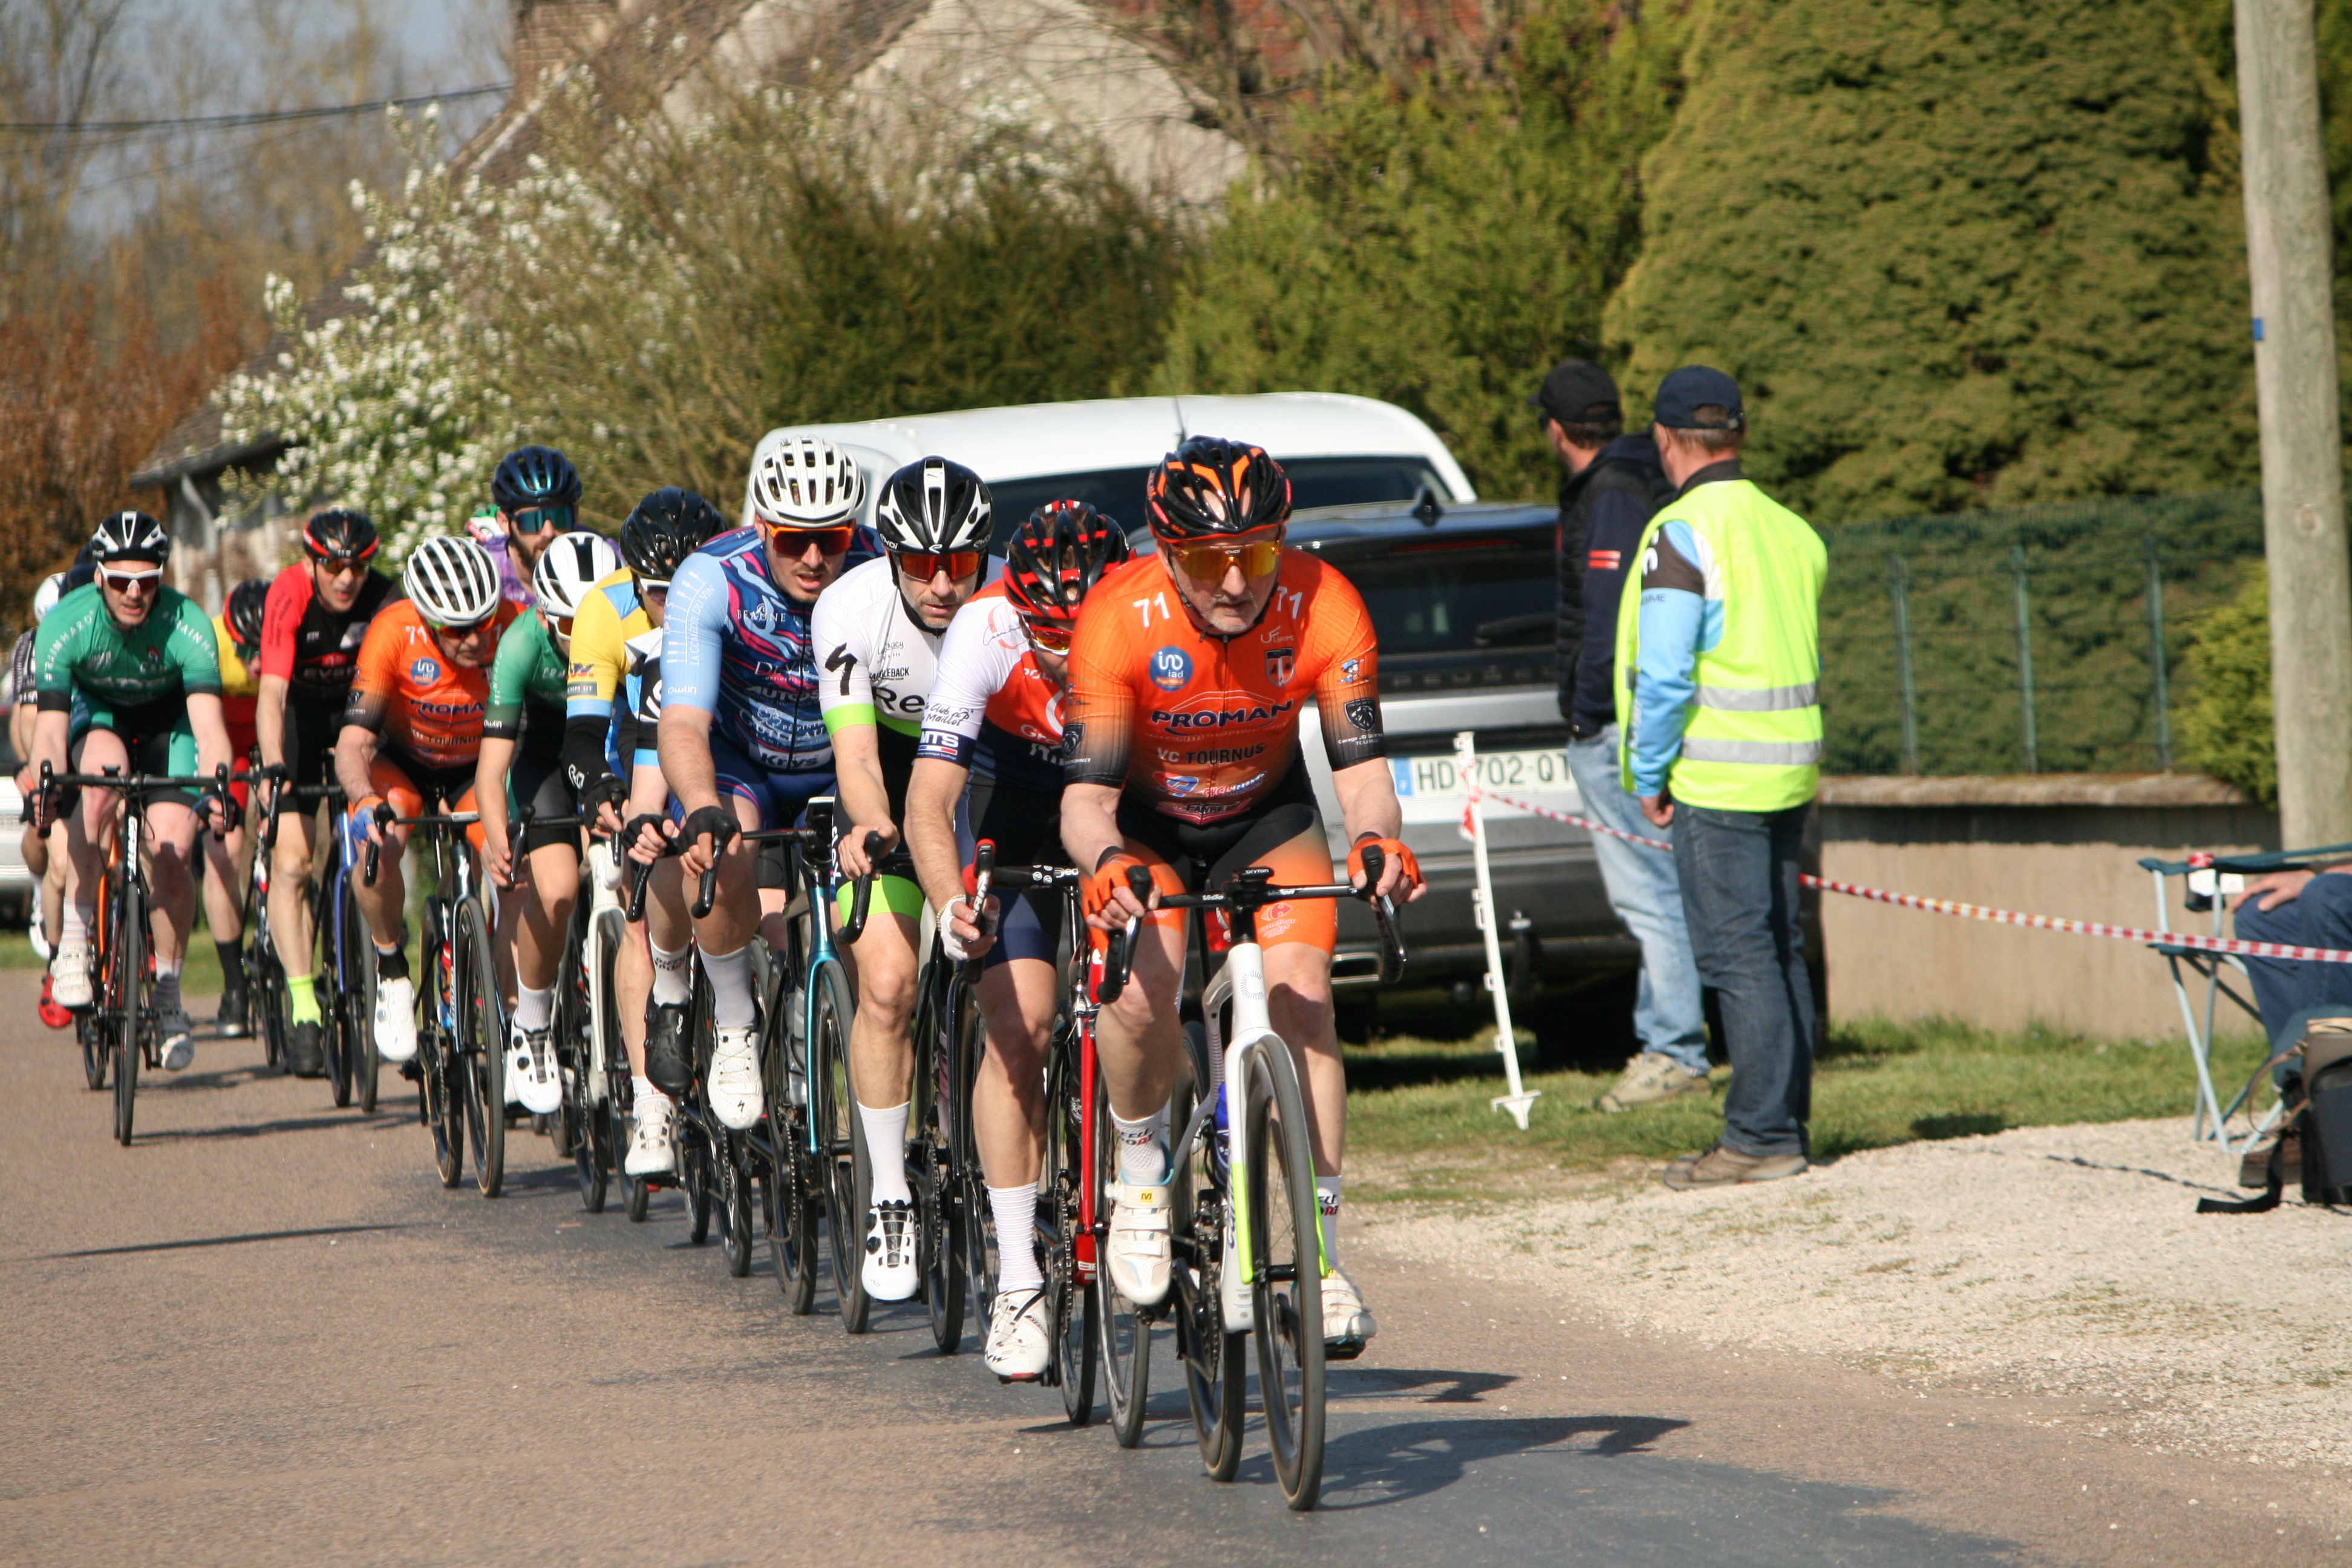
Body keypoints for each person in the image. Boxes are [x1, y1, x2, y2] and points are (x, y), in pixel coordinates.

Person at [1060, 436, 1425, 1351]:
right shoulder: (1117, 618)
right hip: (1148, 826)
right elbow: (1085, 802)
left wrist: (1376, 839)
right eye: (1208, 561)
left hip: (1266, 814)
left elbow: (1363, 775)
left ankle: (1323, 1261)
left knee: (1304, 1002)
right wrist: (1106, 860)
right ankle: (1140, 1171)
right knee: (1141, 994)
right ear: (1164, 551)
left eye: (1256, 557)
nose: (1234, 583)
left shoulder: (1326, 604)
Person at [907, 500, 1129, 1380]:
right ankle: (1018, 1279)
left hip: (1114, 797)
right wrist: (948, 905)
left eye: (1085, 634)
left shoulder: (1148, 622)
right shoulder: (985, 625)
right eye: (1052, 636)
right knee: (1022, 1026)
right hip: (1014, 800)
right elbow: (930, 799)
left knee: (1150, 999)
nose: (1069, 654)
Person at [1613, 365, 1826, 1191]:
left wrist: (1647, 770)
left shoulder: (1680, 531)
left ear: (1666, 440)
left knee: (1739, 959)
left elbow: (1666, 673)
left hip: (1717, 776)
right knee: (1780, 950)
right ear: (1738, 435)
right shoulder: (1793, 530)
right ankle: (1785, 1124)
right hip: (1789, 772)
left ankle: (1760, 1137)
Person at [812, 456, 995, 1302]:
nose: (943, 584)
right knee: (887, 984)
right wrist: (874, 825)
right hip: (885, 779)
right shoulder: (848, 607)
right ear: (890, 555)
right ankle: (888, 1191)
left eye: (960, 563)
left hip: (981, 784)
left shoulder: (1009, 606)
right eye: (921, 563)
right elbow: (854, 753)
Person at [659, 435, 874, 1143]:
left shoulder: (880, 568)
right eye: (792, 540)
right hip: (740, 758)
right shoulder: (711, 579)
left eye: (832, 539)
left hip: (841, 759)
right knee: (723, 853)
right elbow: (682, 722)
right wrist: (701, 808)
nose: (814, 558)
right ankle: (733, 1023)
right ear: (760, 527)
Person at [1535, 358, 1711, 1112]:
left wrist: (1586, 714)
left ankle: (1675, 1049)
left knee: (1650, 897)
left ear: (1555, 429)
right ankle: (1668, 1040)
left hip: (1613, 726)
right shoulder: (1642, 477)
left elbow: (1605, 619)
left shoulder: (1609, 493)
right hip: (1640, 721)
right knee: (1661, 891)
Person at [33, 511, 238, 1068]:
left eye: (146, 581)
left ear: (160, 578)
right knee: (99, 789)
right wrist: (46, 784)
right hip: (102, 716)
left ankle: (168, 995)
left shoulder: (188, 624)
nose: (133, 593)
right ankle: (75, 940)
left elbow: (211, 730)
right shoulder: (68, 623)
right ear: (99, 575)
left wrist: (219, 789)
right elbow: (49, 730)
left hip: (170, 725)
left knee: (172, 852)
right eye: (121, 580)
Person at [564, 487, 726, 1175]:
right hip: (640, 734)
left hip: (716, 728)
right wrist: (602, 791)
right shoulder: (604, 609)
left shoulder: (731, 591)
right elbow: (581, 734)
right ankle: (650, 1103)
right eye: (658, 592)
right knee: (640, 901)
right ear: (634, 582)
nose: (674, 602)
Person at [336, 535, 517, 1063]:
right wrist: (364, 800)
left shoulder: (512, 623)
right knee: (378, 846)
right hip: (405, 764)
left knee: (512, 863)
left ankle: (511, 1007)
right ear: (428, 620)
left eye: (482, 623)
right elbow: (354, 743)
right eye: (457, 630)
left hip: (477, 770)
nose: (474, 639)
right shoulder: (393, 631)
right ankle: (392, 967)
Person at [256, 509, 401, 1077]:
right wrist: (272, 766)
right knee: (292, 861)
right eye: (334, 566)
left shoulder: (384, 597)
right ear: (311, 561)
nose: (346, 579)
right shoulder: (289, 593)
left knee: (377, 836)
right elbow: (271, 694)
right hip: (300, 719)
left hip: (359, 719)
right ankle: (303, 1006)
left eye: (358, 567)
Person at [479, 531, 618, 1114]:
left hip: (608, 746)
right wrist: (497, 839)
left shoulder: (632, 624)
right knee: (556, 890)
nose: (584, 638)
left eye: (595, 622)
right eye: (569, 627)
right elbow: (492, 770)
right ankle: (532, 1023)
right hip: (545, 756)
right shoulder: (519, 645)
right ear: (543, 615)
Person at [201, 577, 267, 1037]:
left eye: (265, 651)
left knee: (291, 836)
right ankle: (233, 983)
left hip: (270, 735)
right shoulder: (210, 642)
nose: (257, 663)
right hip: (225, 741)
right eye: (248, 651)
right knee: (222, 853)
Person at [15, 572, 71, 1023]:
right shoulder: (32, 647)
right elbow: (28, 720)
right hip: (48, 748)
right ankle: (56, 952)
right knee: (48, 843)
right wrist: (31, 768)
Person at [478, 446, 583, 608]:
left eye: (560, 517)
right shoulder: (482, 571)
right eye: (533, 521)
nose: (548, 532)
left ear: (575, 515)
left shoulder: (606, 557)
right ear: (505, 523)